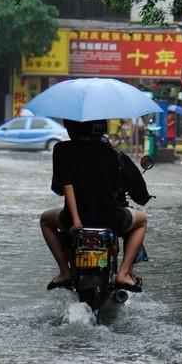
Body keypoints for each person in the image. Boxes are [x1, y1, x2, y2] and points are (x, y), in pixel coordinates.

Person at [40, 119, 151, 292]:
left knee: (45, 220)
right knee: (142, 220)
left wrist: (76, 220)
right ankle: (123, 273)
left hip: (73, 220)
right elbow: (140, 194)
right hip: (111, 219)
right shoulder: (115, 154)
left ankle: (64, 271)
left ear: (70, 128)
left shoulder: (61, 150)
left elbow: (60, 187)